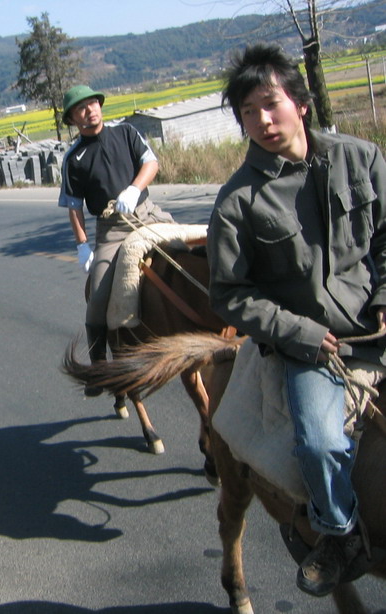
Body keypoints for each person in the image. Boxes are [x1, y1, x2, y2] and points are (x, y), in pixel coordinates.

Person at [208, 43, 386, 597]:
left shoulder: (363, 159)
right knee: (318, 444)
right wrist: (301, 334)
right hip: (314, 348)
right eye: (248, 113)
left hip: (376, 322)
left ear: (300, 103)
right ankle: (337, 533)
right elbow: (232, 296)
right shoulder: (236, 202)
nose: (262, 120)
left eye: (270, 103)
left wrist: (385, 297)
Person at [58, 85, 173, 395]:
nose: (89, 110)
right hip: (112, 229)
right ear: (72, 118)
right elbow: (73, 207)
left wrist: (134, 189)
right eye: (80, 108)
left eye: (92, 103)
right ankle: (97, 369)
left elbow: (151, 163)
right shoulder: (73, 159)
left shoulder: (126, 132)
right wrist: (82, 244)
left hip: (148, 213)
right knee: (97, 297)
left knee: (190, 251)